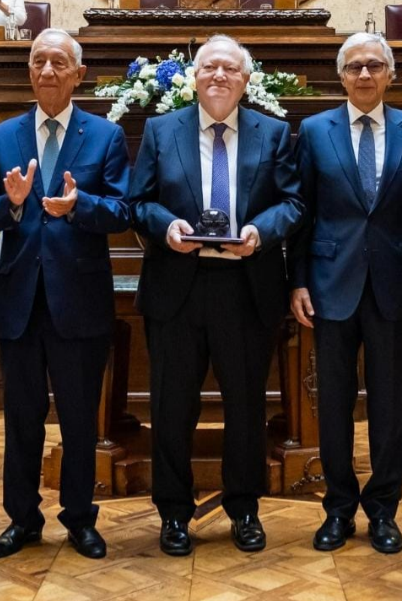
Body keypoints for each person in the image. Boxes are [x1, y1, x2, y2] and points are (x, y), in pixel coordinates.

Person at [130, 34, 304, 556]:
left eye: (230, 68)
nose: (219, 76)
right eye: (209, 67)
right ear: (194, 76)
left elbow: (294, 203)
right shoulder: (161, 130)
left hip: (245, 288)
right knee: (171, 407)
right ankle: (173, 513)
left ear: (246, 80)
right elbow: (138, 203)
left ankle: (244, 508)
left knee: (246, 407)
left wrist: (260, 232)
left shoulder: (274, 133)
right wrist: (167, 227)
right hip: (176, 289)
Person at [0, 29, 130, 561]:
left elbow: (122, 211)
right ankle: (22, 519)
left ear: (78, 75)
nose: (47, 70)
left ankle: (79, 518)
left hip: (79, 302)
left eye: (59, 62)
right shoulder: (2, 138)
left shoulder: (106, 136)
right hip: (19, 302)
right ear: (28, 71)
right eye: (38, 61)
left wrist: (80, 205)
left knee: (80, 419)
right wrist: (13, 205)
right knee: (21, 419)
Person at [287, 33, 402, 554]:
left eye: (374, 65)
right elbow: (301, 212)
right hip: (330, 284)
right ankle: (339, 508)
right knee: (333, 403)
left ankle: (383, 510)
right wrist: (298, 280)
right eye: (354, 67)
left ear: (391, 74)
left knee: (390, 404)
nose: (364, 75)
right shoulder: (314, 130)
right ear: (341, 76)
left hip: (395, 284)